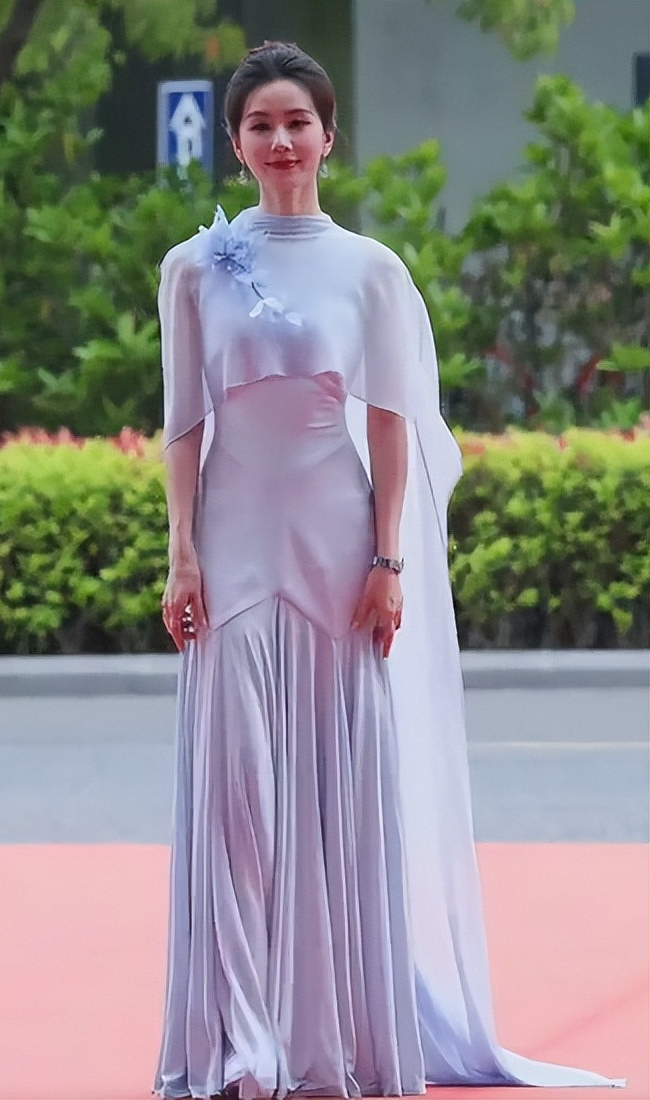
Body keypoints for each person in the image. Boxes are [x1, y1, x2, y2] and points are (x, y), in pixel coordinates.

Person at [152, 41, 625, 1100]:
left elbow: (390, 424)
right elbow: (182, 423)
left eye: (297, 122)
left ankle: (326, 1041)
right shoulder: (191, 268)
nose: (281, 140)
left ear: (328, 135)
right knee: (237, 797)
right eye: (261, 125)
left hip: (337, 545)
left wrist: (387, 559)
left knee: (334, 801)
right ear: (235, 145)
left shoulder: (370, 268)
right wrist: (181, 551)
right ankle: (242, 1046)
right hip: (230, 540)